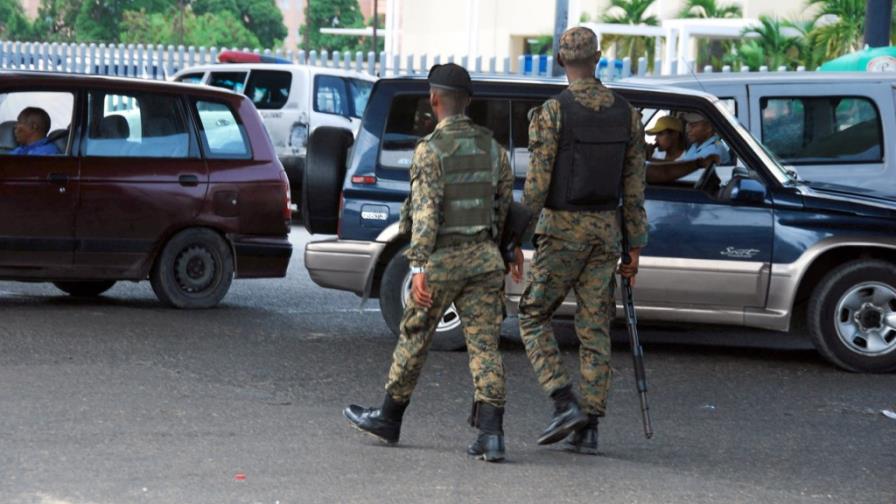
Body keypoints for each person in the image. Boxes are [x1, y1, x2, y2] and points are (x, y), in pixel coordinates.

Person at [344, 63, 519, 463]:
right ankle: (492, 435)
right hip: (485, 260)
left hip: (442, 260)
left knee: (416, 335)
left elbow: (425, 212)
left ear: (434, 99)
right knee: (485, 346)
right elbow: (504, 206)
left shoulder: (430, 150)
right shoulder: (495, 150)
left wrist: (418, 265)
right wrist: (505, 250)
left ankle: (389, 418)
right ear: (468, 102)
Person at [514, 26, 647, 455]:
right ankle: (589, 428)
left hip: (562, 232)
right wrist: (635, 245)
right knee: (594, 330)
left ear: (559, 60)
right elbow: (634, 186)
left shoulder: (554, 112)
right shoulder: (626, 113)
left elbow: (536, 185)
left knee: (533, 315)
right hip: (606, 234)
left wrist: (513, 236)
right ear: (598, 57)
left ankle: (563, 400)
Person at [646, 112, 729, 185]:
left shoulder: (712, 150)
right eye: (688, 124)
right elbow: (680, 163)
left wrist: (648, 159)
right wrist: (649, 159)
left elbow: (682, 168)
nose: (688, 130)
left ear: (708, 128)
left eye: (693, 125)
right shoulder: (697, 145)